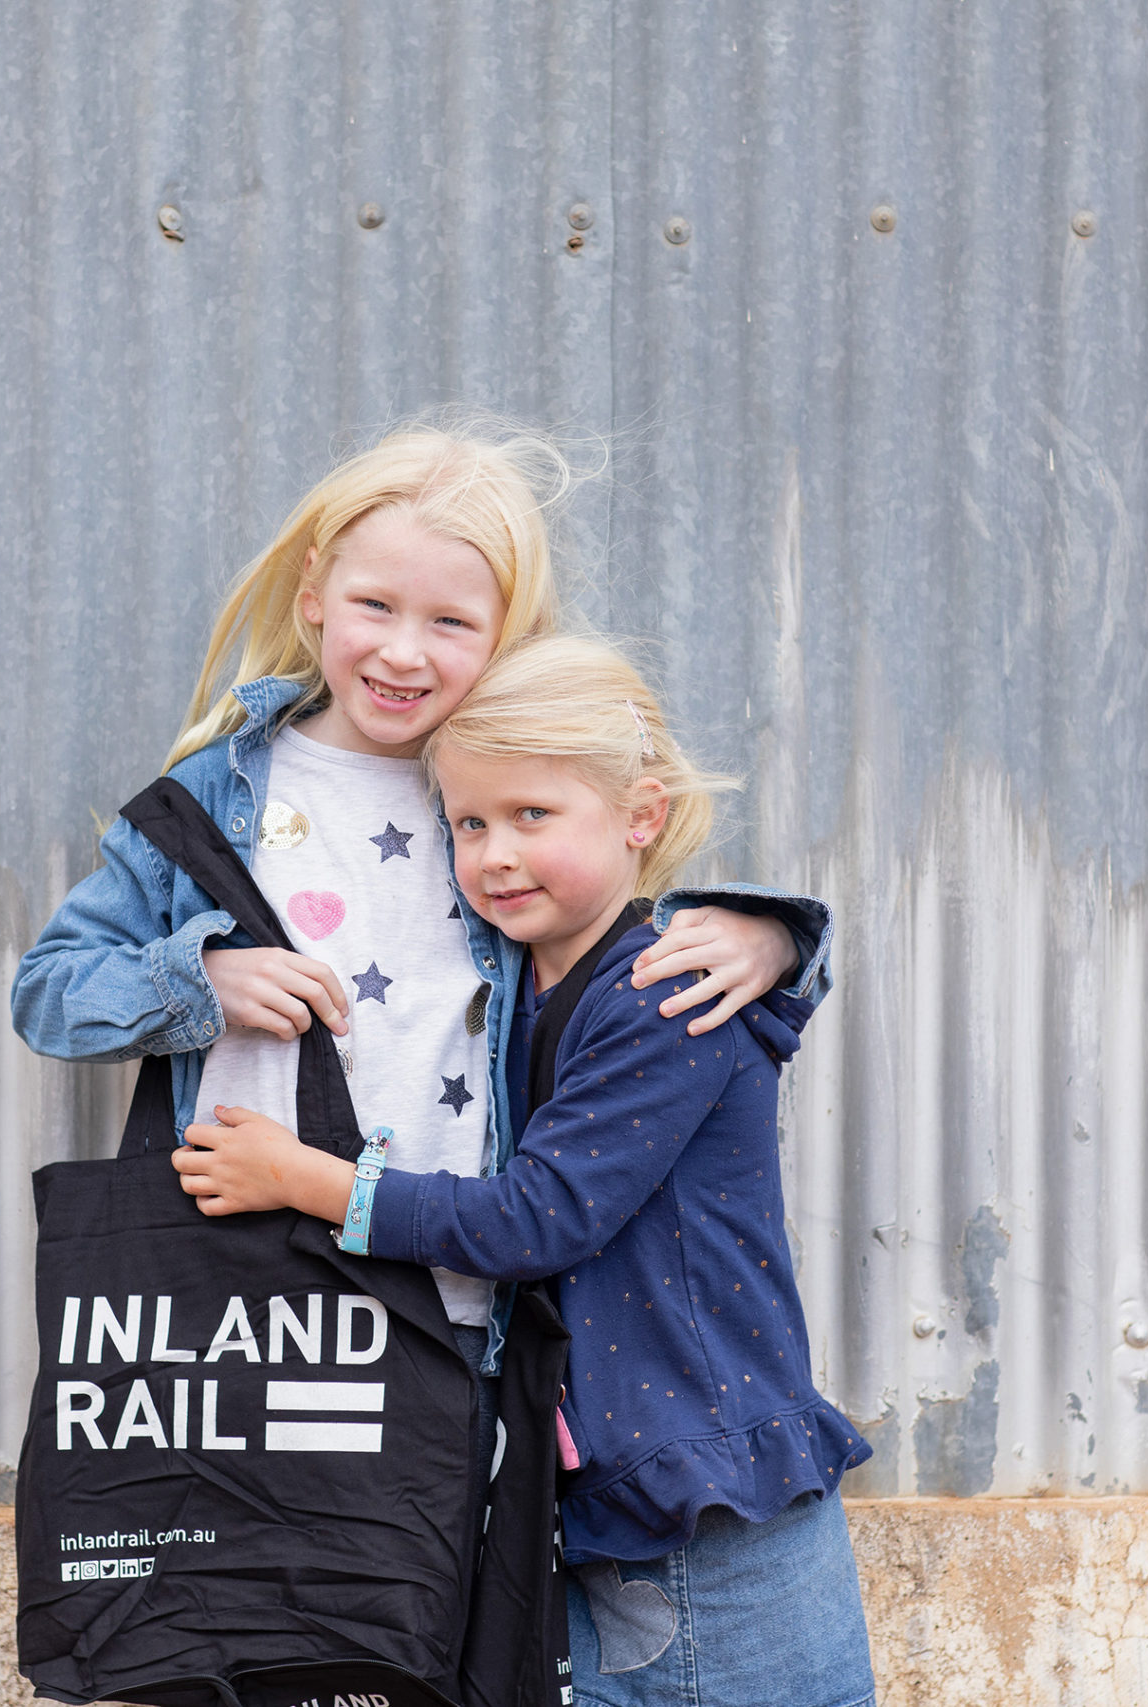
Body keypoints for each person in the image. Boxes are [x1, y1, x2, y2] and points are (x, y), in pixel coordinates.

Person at [9, 416, 832, 1375]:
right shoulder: (215, 797)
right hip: (234, 1292)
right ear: (314, 593)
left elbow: (614, 929)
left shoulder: (507, 788)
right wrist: (200, 981)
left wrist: (770, 937)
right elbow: (48, 991)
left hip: (454, 1302)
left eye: (450, 622)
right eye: (375, 605)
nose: (405, 653)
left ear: (506, 632)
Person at [167, 633, 877, 1707]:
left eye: (532, 817)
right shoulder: (529, 987)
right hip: (610, 1491)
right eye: (468, 822)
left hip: (702, 1494)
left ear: (639, 818)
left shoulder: (661, 990)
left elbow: (538, 1218)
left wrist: (304, 1178)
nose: (495, 854)